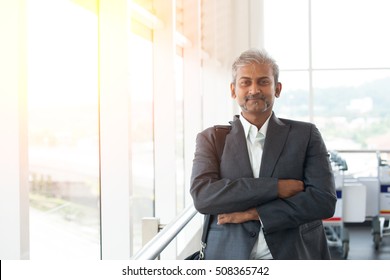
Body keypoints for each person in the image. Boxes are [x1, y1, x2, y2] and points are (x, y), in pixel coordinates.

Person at [190, 48, 337, 260]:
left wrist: (255, 213)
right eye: (245, 82)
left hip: (293, 255)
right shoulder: (211, 139)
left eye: (263, 82)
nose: (254, 89)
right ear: (233, 90)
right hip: (228, 258)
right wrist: (276, 188)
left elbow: (323, 201)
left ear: (277, 88)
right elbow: (203, 197)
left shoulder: (305, 135)